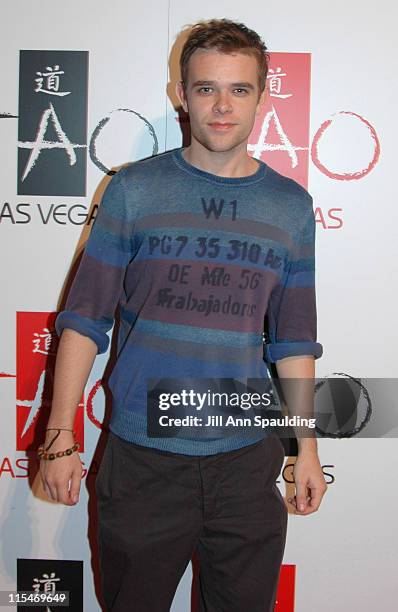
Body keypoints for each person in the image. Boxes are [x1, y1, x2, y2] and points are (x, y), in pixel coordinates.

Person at [39, 18, 328, 612]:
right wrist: (60, 435)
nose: (222, 107)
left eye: (240, 90)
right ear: (181, 93)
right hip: (142, 463)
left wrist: (307, 449)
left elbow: (294, 339)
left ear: (263, 96)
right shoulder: (132, 190)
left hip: (248, 463)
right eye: (206, 89)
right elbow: (85, 319)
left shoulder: (291, 207)